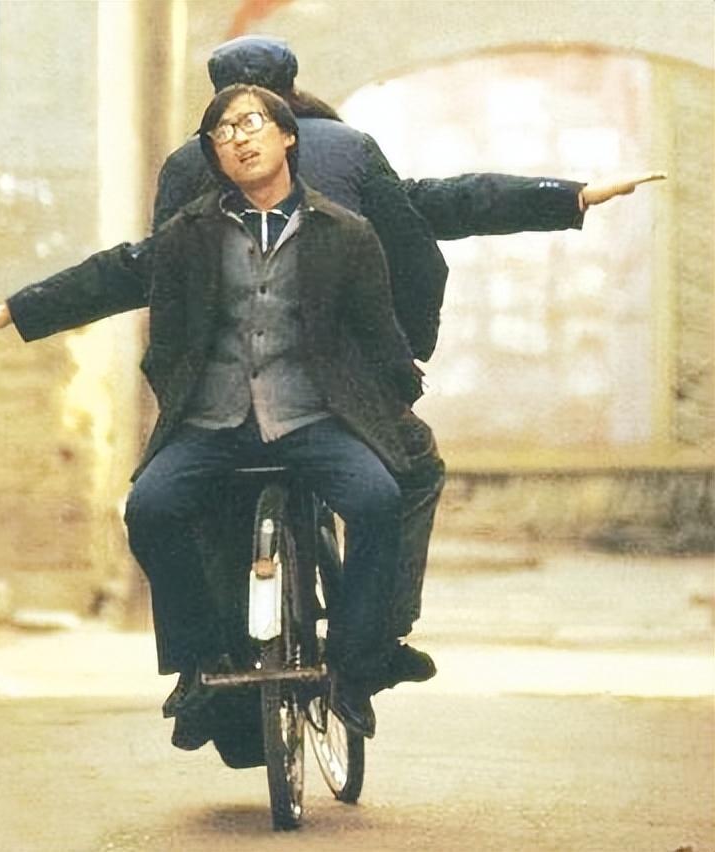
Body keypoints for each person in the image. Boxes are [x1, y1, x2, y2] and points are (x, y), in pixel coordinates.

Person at [151, 34, 667, 686]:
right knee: (412, 471)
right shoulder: (347, 148)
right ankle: (379, 638)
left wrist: (177, 384)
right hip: (333, 389)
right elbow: (422, 239)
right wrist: (403, 359)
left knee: (189, 500)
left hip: (219, 394)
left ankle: (198, 673)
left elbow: (157, 280)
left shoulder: (187, 164)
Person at [0, 85, 432, 743]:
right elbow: (116, 275)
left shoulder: (346, 233)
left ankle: (354, 667)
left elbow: (377, 334)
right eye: (222, 132)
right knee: (150, 508)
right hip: (214, 423)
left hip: (313, 420)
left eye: (251, 123)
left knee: (377, 500)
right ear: (213, 155)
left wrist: (393, 401)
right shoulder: (188, 234)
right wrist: (12, 311)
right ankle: (199, 661)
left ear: (287, 135)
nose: (238, 138)